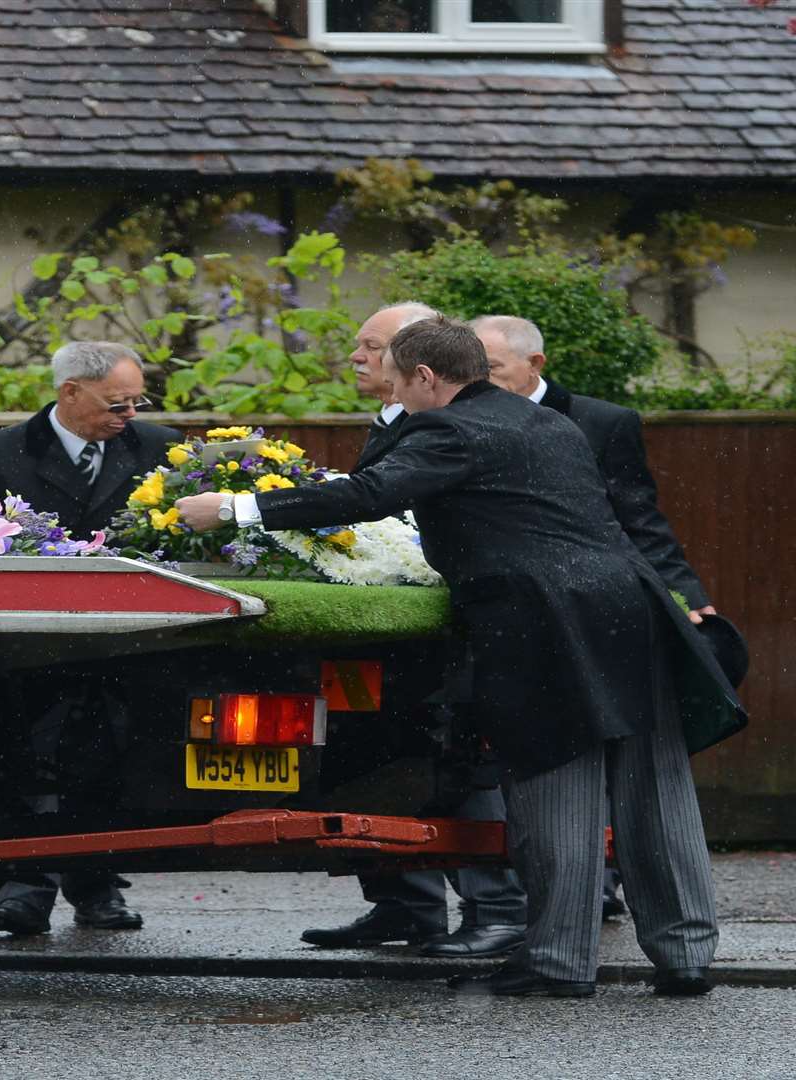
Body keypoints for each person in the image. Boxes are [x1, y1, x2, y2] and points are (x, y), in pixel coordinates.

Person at [177, 317, 741, 997]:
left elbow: (369, 496)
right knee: (655, 789)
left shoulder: (448, 428)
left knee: (556, 784)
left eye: (397, 381)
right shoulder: (548, 423)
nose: (396, 399)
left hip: (545, 625)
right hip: (632, 609)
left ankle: (561, 961)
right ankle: (685, 955)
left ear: (425, 376)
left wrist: (236, 510)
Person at [297, 302, 531, 961]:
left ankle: (496, 909)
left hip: (465, 628)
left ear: (419, 362)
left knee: (463, 765)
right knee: (383, 757)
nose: (360, 358)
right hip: (396, 636)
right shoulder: (395, 418)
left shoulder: (463, 423)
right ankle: (405, 906)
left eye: (373, 346)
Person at [474, 313, 723, 921]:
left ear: (535, 366)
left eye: (492, 369)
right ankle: (568, 914)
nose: (478, 380)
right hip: (527, 612)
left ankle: (609, 914)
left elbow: (639, 520)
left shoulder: (601, 422)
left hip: (607, 609)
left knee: (627, 766)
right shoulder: (462, 420)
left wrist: (685, 596)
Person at [0, 340, 182, 936]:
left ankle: (96, 885)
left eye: (135, 403)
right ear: (69, 391)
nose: (130, 416)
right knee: (16, 760)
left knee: (106, 761)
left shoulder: (160, 448)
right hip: (23, 646)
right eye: (116, 404)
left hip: (128, 640)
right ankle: (22, 889)